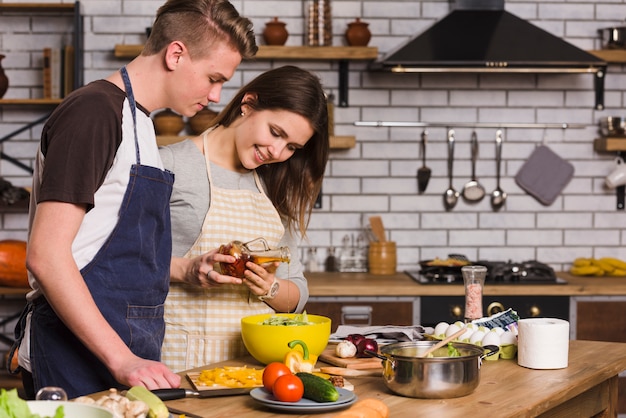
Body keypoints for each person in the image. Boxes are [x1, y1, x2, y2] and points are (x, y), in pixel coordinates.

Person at [8, 0, 257, 399]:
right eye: (214, 78)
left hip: (124, 348)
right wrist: (122, 359)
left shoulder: (138, 121)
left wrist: (187, 269)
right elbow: (46, 255)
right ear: (176, 54)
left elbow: (105, 247)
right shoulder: (94, 113)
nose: (216, 95)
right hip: (76, 352)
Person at [159, 65, 329, 371]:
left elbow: (297, 294)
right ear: (248, 104)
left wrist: (270, 288)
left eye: (292, 147)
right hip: (177, 359)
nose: (277, 151)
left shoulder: (274, 186)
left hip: (252, 369)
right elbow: (120, 261)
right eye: (276, 133)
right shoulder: (169, 165)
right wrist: (186, 270)